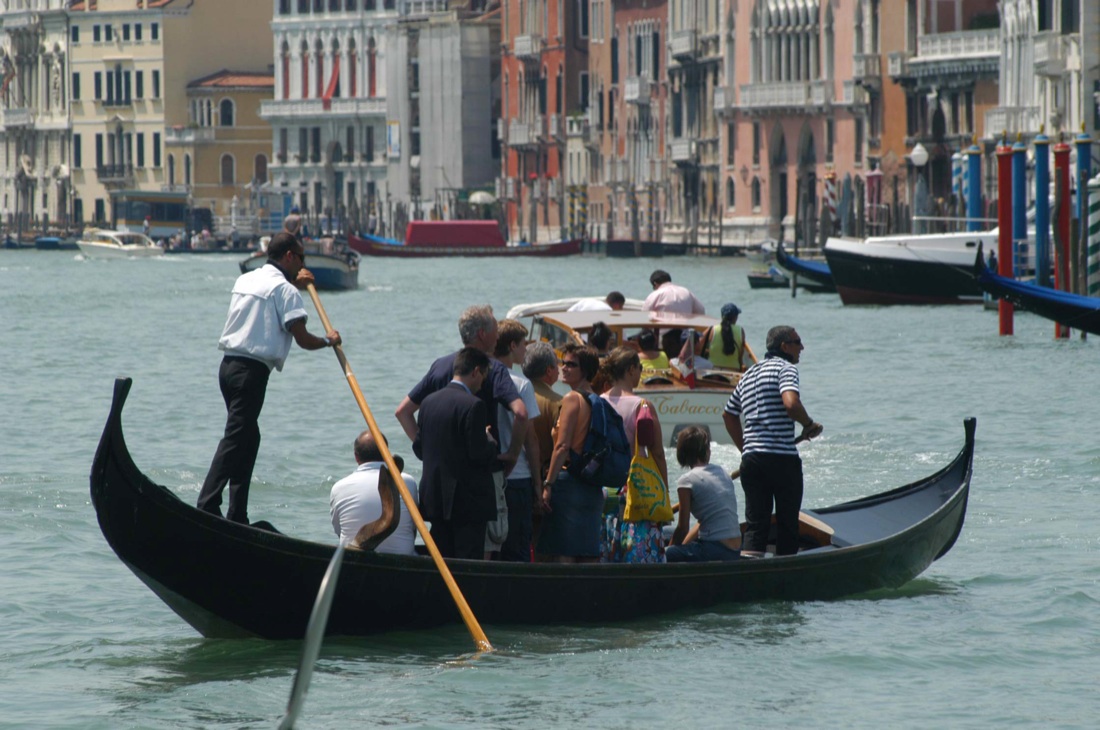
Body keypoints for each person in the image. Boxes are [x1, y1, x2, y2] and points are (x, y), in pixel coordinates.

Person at [197, 232, 341, 524]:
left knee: (248, 438)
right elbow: (302, 339)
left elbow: (270, 296)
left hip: (227, 368)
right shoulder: (286, 292)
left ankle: (238, 514)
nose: (303, 263)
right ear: (289, 256)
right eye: (301, 257)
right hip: (251, 374)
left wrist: (292, 285)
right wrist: (329, 341)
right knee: (236, 438)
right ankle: (207, 505)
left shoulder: (247, 279)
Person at [394, 305, 528, 530]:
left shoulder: (440, 366)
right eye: (495, 329)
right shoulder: (492, 368)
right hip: (479, 480)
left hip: (439, 485)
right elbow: (521, 412)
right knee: (481, 550)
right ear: (483, 334)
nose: (498, 336)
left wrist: (427, 447)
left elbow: (403, 412)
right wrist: (512, 455)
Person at [723, 326, 824, 557]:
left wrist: (746, 449)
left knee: (756, 526)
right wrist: (808, 425)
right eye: (798, 342)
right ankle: (786, 578)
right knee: (788, 524)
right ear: (784, 346)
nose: (802, 347)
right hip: (781, 460)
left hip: (752, 462)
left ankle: (750, 576)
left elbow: (728, 414)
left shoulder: (748, 374)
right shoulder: (786, 369)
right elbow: (791, 403)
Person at [414, 347, 500, 559]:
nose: (482, 383)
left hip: (435, 500)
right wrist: (490, 441)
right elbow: (478, 453)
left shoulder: (427, 403)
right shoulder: (474, 405)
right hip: (468, 504)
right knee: (467, 564)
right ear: (476, 371)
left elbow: (419, 448)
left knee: (441, 561)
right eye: (484, 376)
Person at [599, 347, 669, 563]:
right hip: (633, 489)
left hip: (603, 487)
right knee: (636, 553)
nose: (640, 374)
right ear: (630, 369)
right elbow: (656, 451)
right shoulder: (642, 405)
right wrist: (664, 490)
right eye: (639, 368)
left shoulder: (598, 401)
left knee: (608, 549)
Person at [537, 344, 605, 563]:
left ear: (584, 370)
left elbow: (562, 446)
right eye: (563, 363)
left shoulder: (571, 399)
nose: (564, 368)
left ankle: (563, 597)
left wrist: (548, 485)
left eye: (571, 364)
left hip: (569, 485)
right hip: (592, 485)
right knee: (588, 554)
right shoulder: (598, 400)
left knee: (563, 553)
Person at [491, 319, 542, 561]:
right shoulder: (521, 383)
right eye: (523, 344)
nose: (525, 349)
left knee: (491, 545)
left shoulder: (482, 376)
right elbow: (530, 439)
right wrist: (538, 485)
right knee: (517, 545)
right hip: (518, 475)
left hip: (489, 473)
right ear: (512, 345)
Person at [330, 430, 418, 556]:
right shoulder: (408, 482)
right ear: (386, 453)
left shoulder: (338, 488)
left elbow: (339, 533)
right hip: (403, 559)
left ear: (356, 456)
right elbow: (413, 529)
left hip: (352, 562)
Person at [666, 426, 742, 562]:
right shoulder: (722, 472)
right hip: (735, 550)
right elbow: (702, 523)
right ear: (707, 451)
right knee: (668, 532)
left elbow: (683, 528)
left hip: (714, 549)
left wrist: (665, 555)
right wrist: (683, 546)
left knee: (667, 549)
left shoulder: (686, 481)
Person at [522, 342, 563, 483]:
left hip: (518, 474)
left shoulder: (515, 395)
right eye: (557, 365)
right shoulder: (557, 403)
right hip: (546, 477)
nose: (560, 369)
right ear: (549, 371)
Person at [703, 302, 757, 372]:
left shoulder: (712, 329)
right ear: (735, 317)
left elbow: (698, 345)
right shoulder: (740, 330)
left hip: (713, 371)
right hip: (733, 371)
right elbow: (740, 355)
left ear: (722, 316)